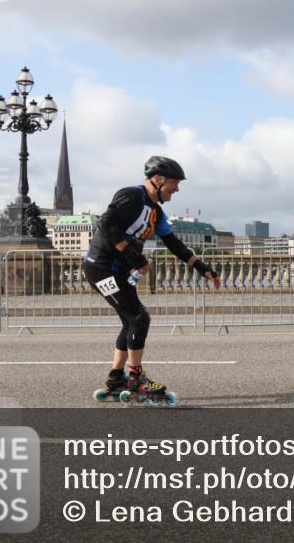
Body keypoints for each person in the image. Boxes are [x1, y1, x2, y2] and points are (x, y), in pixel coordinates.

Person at [83, 156, 220, 405]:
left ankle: (116, 378)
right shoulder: (131, 196)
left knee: (130, 321)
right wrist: (132, 254)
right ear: (158, 180)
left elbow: (174, 244)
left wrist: (202, 267)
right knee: (139, 317)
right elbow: (107, 224)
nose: (177, 189)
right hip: (101, 268)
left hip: (118, 271)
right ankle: (135, 379)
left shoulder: (156, 212)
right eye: (175, 183)